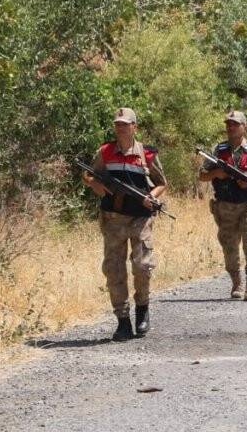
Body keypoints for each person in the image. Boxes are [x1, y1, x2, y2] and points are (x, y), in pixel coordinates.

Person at [82, 107, 167, 342]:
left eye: (125, 124)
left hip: (140, 218)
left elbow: (161, 183)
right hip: (113, 219)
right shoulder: (105, 151)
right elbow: (89, 174)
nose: (120, 127)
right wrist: (95, 185)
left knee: (142, 265)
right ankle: (122, 320)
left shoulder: (147, 154)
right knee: (114, 270)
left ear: (134, 127)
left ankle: (142, 309)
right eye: (117, 124)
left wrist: (153, 197)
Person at [197, 111, 247, 301]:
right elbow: (202, 175)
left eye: (235, 124)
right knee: (229, 247)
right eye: (228, 124)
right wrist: (217, 173)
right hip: (225, 207)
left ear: (244, 126)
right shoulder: (218, 150)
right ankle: (236, 282)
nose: (231, 127)